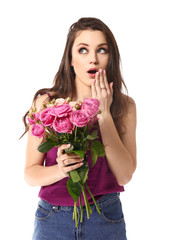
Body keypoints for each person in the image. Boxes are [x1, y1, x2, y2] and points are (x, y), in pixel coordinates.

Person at [23, 17, 137, 240]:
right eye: (83, 50)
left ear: (110, 58)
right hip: (53, 219)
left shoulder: (125, 106)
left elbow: (124, 175)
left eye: (101, 50)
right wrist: (60, 169)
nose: (93, 59)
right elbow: (30, 173)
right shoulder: (46, 104)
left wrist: (103, 113)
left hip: (105, 217)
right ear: (71, 59)